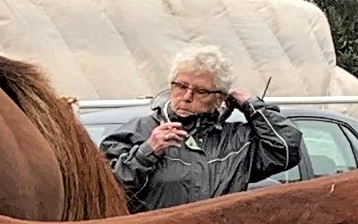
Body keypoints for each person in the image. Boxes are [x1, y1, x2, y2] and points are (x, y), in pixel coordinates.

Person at [102, 43, 303, 211]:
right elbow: (104, 191)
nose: (187, 97)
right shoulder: (137, 131)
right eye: (181, 86)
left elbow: (286, 148)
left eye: (200, 91)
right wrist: (146, 153)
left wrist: (250, 104)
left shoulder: (236, 141)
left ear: (219, 98)